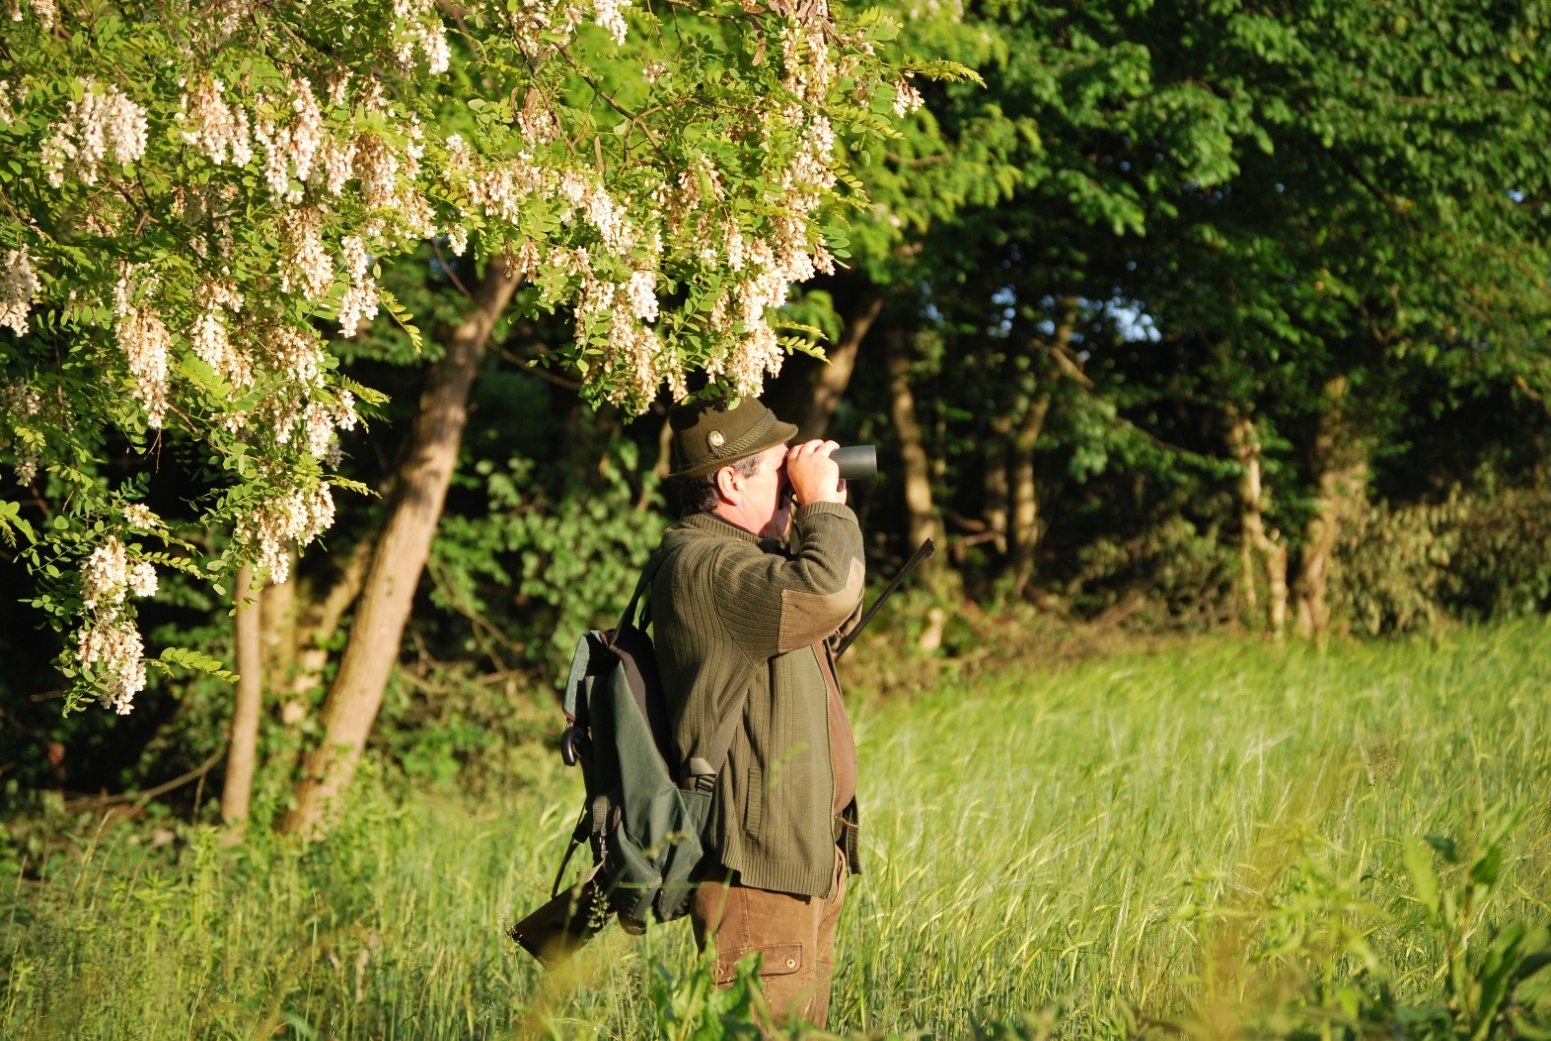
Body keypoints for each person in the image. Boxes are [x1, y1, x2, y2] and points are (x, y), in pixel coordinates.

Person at [648, 395, 865, 1028]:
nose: (793, 479)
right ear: (727, 479)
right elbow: (827, 589)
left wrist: (820, 512)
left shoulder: (749, 562)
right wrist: (821, 504)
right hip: (756, 875)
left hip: (798, 863)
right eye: (778, 469)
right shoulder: (705, 566)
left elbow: (836, 600)